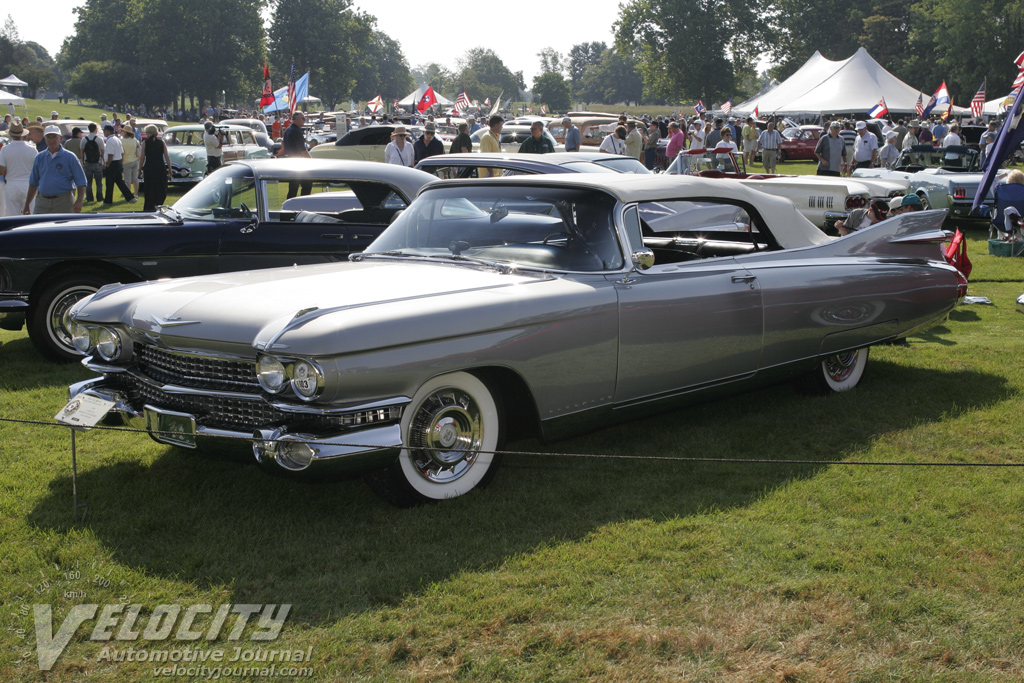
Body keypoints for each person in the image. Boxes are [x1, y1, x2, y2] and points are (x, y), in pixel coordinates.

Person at [23, 125, 87, 214]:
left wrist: (79, 201)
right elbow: (33, 183)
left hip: (64, 201)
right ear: (44, 139)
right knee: (40, 226)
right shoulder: (39, 157)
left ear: (60, 138)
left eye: (54, 137)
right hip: (42, 201)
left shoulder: (70, 157)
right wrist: (27, 205)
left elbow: (81, 181)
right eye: (48, 137)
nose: (51, 140)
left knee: (63, 227)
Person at [0, 123, 37, 216]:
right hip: (29, 185)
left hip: (12, 184)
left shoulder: (5, 149)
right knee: (30, 215)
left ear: (11, 135)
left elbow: (1, 170)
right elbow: (37, 170)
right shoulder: (32, 149)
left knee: (12, 217)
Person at [101, 123, 135, 205]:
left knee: (109, 183)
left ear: (108, 131)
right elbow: (122, 153)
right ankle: (130, 197)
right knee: (120, 182)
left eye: (104, 131)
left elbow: (110, 155)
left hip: (112, 162)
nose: (104, 133)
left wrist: (108, 164)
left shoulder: (109, 141)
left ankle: (108, 201)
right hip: (118, 161)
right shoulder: (117, 139)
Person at [140, 124, 172, 211]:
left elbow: (142, 157)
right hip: (160, 168)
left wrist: (140, 168)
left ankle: (149, 206)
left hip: (149, 168)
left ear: (150, 133)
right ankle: (158, 204)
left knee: (150, 189)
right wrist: (170, 168)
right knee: (161, 188)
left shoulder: (145, 143)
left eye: (146, 132)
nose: (146, 134)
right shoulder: (161, 142)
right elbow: (167, 156)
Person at [282, 111, 312, 198]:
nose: (304, 120)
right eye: (303, 118)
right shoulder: (296, 131)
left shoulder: (289, 129)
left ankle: (290, 207)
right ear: (297, 119)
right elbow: (302, 150)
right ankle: (302, 205)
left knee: (293, 187)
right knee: (307, 185)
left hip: (291, 161)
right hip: (298, 163)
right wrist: (311, 160)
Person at [81, 122, 104, 202]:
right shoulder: (99, 139)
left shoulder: (84, 139)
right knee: (99, 182)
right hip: (97, 162)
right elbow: (102, 152)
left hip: (87, 163)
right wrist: (103, 161)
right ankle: (99, 197)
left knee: (88, 182)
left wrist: (83, 162)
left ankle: (89, 198)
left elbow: (81, 153)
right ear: (95, 129)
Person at [121, 126, 140, 197]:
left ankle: (128, 195)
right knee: (135, 179)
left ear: (125, 132)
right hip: (135, 160)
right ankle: (136, 194)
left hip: (126, 161)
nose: (121, 132)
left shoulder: (122, 141)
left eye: (122, 131)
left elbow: (122, 153)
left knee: (127, 180)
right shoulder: (134, 140)